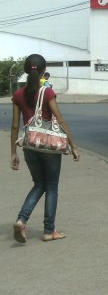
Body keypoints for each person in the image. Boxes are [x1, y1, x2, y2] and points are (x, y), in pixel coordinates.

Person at [10, 54, 80, 243]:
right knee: (51, 187)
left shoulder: (18, 94)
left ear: (26, 70)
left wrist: (13, 153)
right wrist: (73, 145)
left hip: (30, 146)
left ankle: (21, 220)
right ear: (43, 71)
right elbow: (60, 119)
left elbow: (15, 126)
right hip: (49, 147)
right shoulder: (47, 93)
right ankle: (49, 231)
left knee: (39, 184)